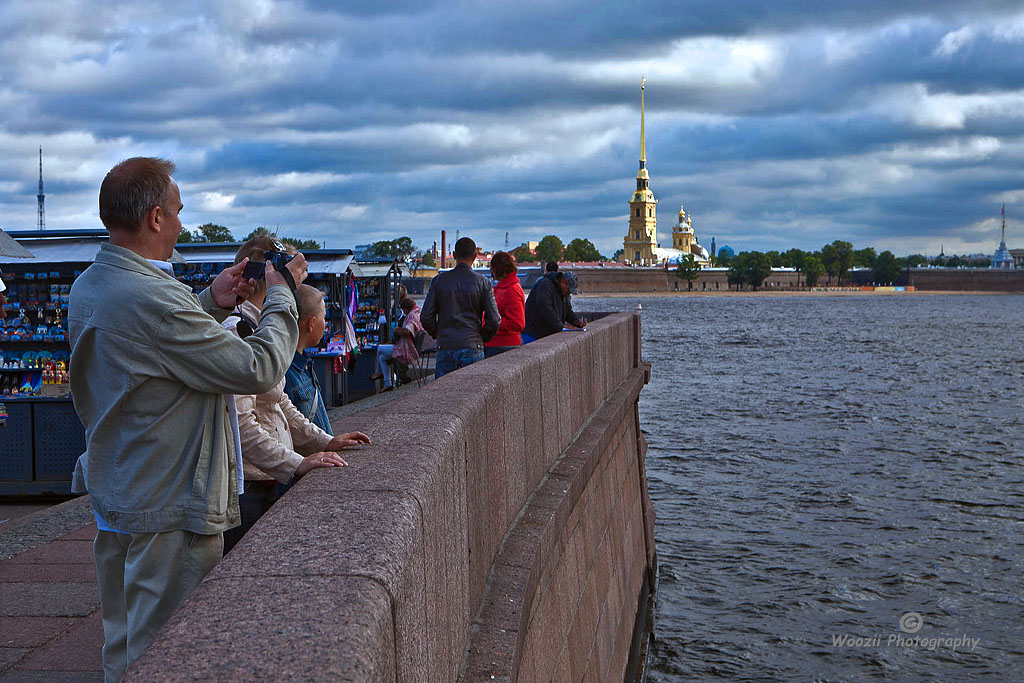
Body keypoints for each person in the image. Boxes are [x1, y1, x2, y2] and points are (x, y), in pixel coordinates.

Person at [69, 157, 305, 682]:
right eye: (176, 212)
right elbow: (256, 366)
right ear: (155, 218)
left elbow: (147, 355)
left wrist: (211, 303)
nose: (181, 223)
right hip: (168, 501)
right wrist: (283, 293)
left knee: (123, 645)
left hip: (120, 487)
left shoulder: (91, 284)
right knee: (165, 655)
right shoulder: (154, 297)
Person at [222, 242, 370, 554]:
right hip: (250, 490)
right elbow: (241, 426)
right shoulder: (238, 330)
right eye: (292, 279)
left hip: (266, 479)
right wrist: (298, 462)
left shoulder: (257, 326)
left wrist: (324, 442)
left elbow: (277, 402)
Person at [420, 236, 500, 379]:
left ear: (455, 255)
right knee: (473, 394)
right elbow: (494, 319)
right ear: (475, 257)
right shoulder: (484, 283)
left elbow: (426, 316)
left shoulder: (439, 281)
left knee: (444, 395)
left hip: (446, 345)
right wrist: (481, 337)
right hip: (473, 345)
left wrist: (438, 333)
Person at [285, 284, 334, 434]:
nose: (325, 324)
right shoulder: (288, 372)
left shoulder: (301, 364)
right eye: (324, 317)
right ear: (311, 324)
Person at [370, 296, 425, 390]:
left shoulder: (412, 316)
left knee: (380, 348)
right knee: (382, 358)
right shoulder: (418, 314)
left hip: (406, 349)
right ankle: (388, 384)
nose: (403, 312)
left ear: (406, 308)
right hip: (410, 347)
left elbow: (408, 331)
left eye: (404, 310)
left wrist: (397, 330)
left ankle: (379, 372)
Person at [522, 271, 587, 342]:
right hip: (533, 334)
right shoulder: (544, 285)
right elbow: (546, 309)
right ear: (563, 282)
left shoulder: (562, 292)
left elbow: (567, 311)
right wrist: (561, 327)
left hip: (545, 334)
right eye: (568, 290)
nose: (568, 293)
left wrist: (576, 321)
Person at [484, 251, 525, 357]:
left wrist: (492, 323)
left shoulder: (511, 290)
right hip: (498, 343)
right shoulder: (506, 287)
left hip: (503, 345)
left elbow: (517, 323)